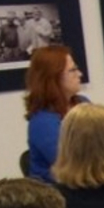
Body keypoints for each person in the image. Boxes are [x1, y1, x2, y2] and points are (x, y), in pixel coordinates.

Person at [24, 44, 86, 182]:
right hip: (56, 191)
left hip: (88, 183)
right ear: (53, 77)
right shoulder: (42, 122)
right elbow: (71, 165)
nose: (80, 74)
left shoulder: (83, 103)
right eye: (72, 70)